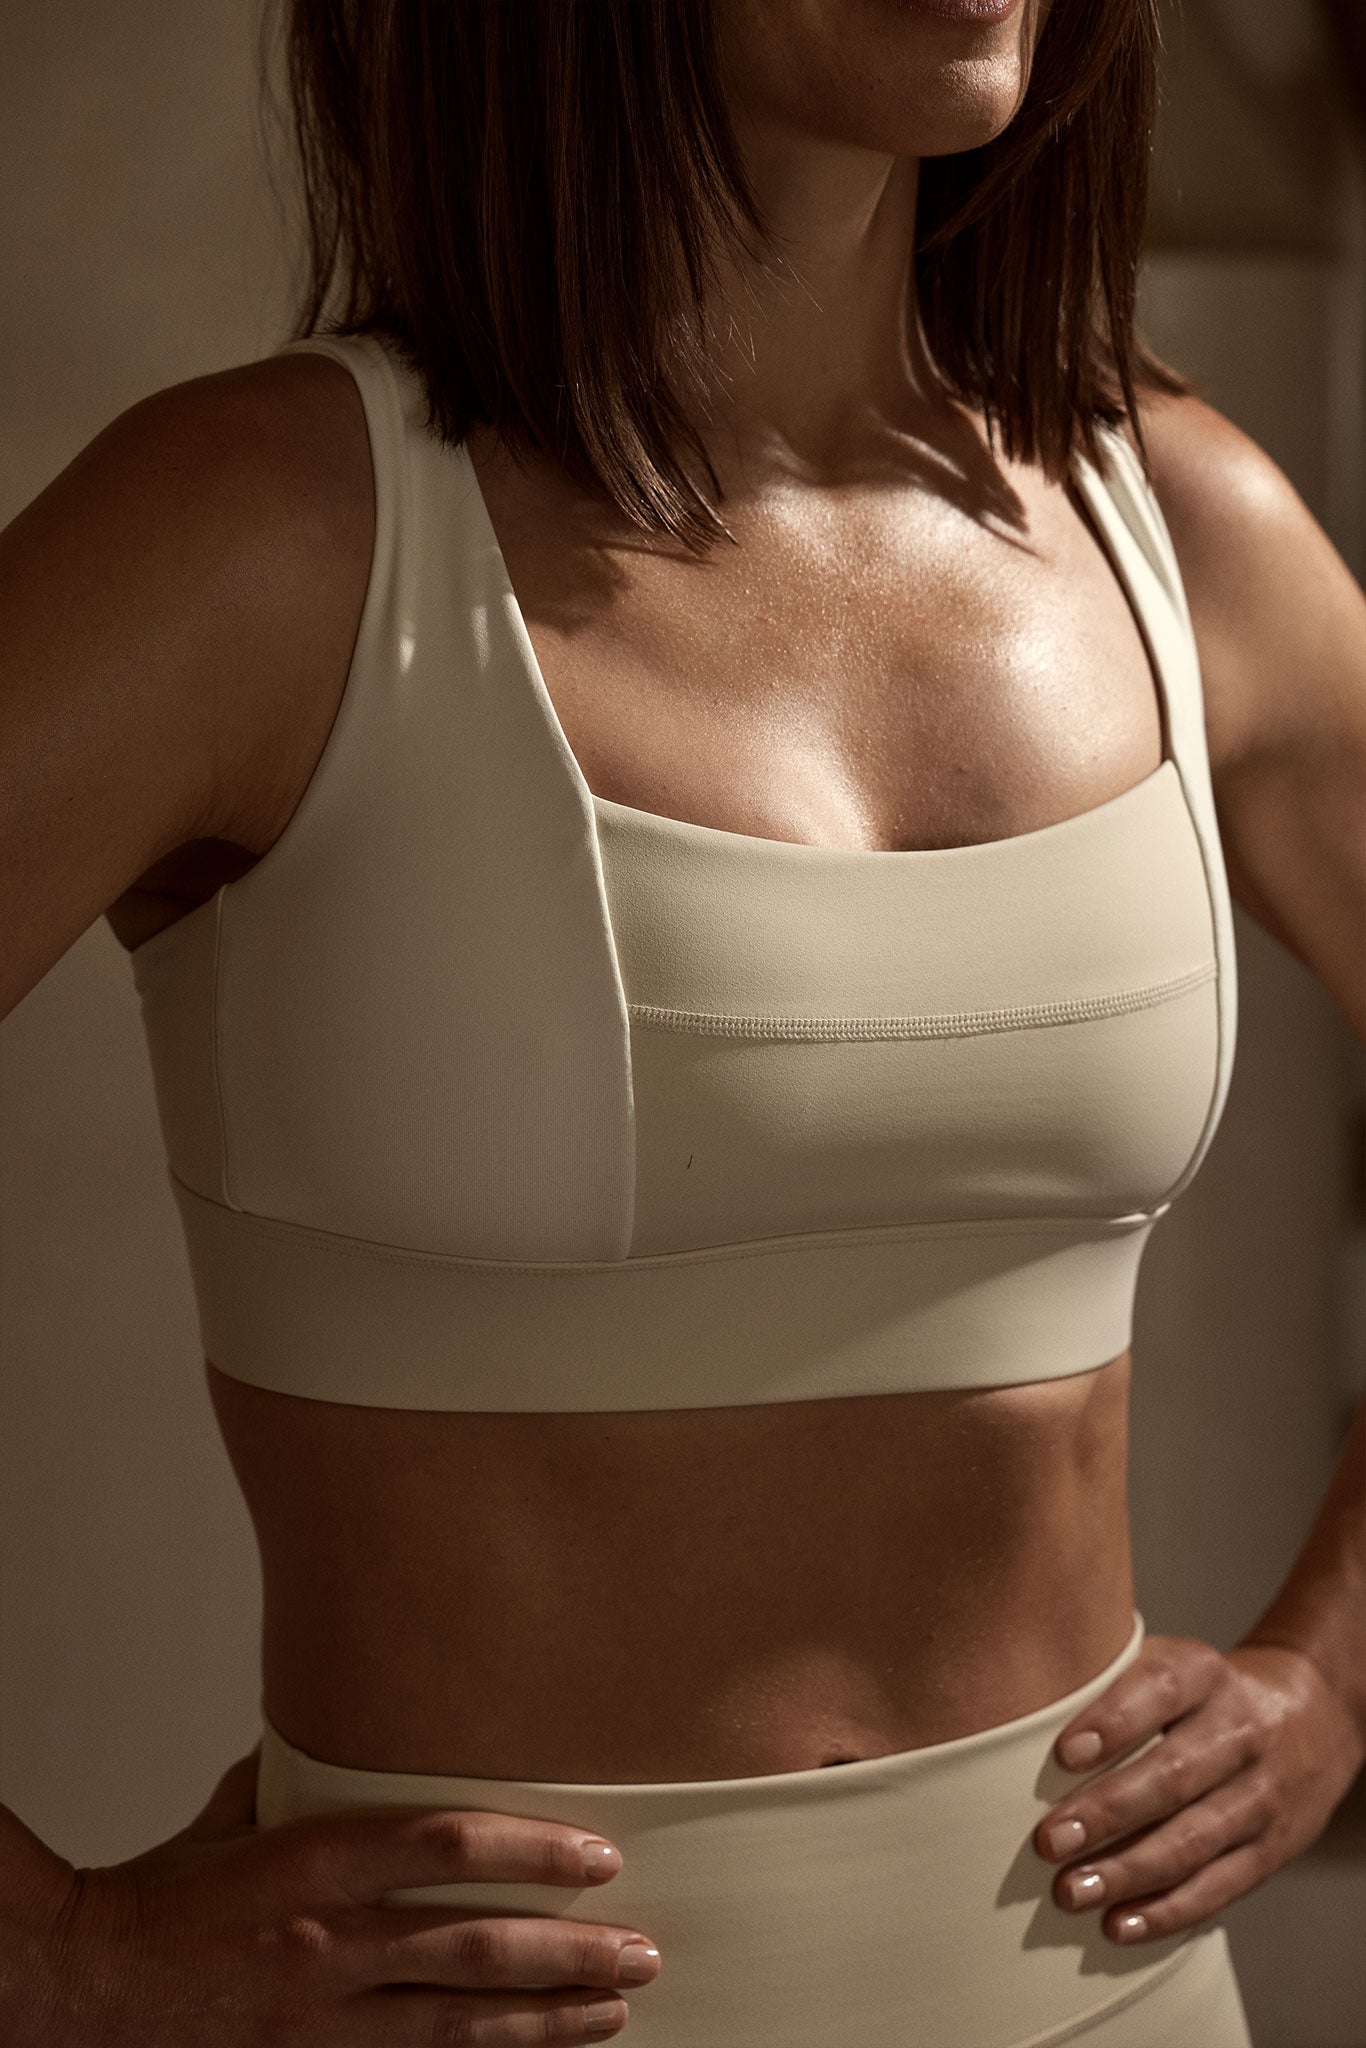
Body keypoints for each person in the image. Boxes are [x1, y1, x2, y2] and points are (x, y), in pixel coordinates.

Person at [2, 0, 1364, 2041]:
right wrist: (55, 1955)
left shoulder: (1176, 524)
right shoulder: (259, 534)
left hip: (1113, 1997)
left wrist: (1335, 1668)